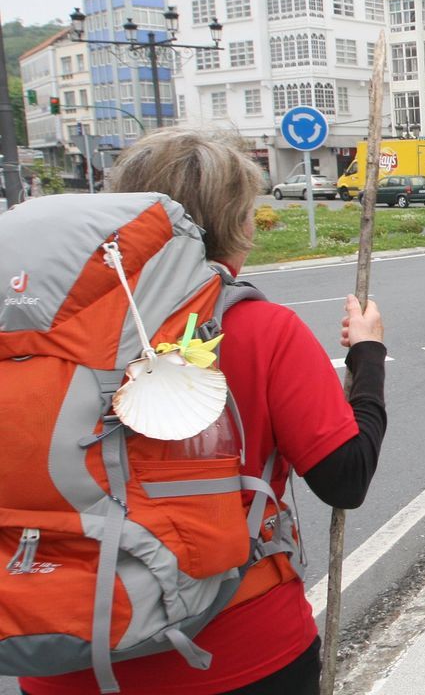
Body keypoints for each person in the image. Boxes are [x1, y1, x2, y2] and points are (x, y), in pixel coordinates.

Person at [19, 128, 389, 695]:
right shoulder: (260, 329)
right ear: (236, 226)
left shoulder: (29, 337)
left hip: (62, 654)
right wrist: (367, 355)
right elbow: (346, 478)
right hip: (240, 652)